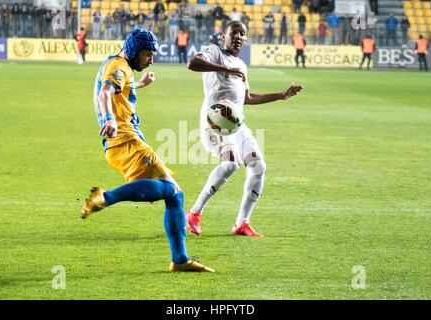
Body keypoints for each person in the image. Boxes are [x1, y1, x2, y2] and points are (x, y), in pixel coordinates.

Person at [81, 28, 214, 273]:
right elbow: (105, 92)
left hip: (123, 140)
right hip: (124, 138)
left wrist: (138, 85)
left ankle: (180, 260)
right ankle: (104, 198)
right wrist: (109, 118)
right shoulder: (118, 67)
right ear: (133, 51)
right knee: (171, 190)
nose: (151, 59)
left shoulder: (122, 67)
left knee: (174, 195)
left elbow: (120, 87)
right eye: (147, 54)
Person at [186, 21, 303, 237]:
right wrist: (224, 69)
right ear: (224, 36)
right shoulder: (214, 52)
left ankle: (242, 223)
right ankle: (193, 213)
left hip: (236, 124)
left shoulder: (241, 66)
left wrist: (280, 95)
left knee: (258, 166)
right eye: (234, 33)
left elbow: (246, 98)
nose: (239, 37)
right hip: (215, 122)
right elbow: (193, 63)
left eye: (242, 34)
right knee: (230, 164)